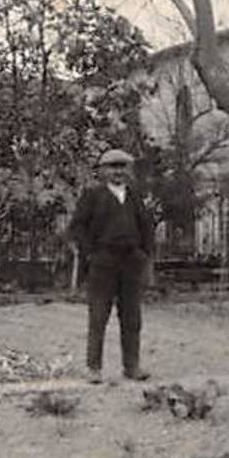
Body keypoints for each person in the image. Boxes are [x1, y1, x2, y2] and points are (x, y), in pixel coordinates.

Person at [68, 148, 154, 384]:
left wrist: (144, 255)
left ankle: (132, 367)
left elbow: (147, 227)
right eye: (113, 167)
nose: (118, 172)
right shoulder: (92, 195)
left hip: (131, 263)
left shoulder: (135, 196)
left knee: (132, 317)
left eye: (123, 167)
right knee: (98, 316)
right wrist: (91, 254)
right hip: (102, 262)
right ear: (102, 171)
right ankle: (94, 368)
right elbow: (77, 228)